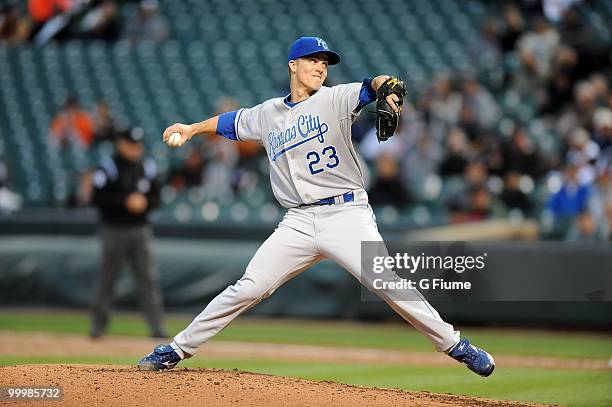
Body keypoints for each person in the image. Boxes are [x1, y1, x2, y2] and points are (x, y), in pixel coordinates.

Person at [138, 37, 495, 377]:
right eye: (313, 59)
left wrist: (390, 89)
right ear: (293, 65)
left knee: (386, 281)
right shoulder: (268, 114)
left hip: (346, 214)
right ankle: (176, 349)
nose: (320, 67)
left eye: (325, 62)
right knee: (248, 287)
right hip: (297, 221)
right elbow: (231, 123)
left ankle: (455, 345)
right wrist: (192, 128)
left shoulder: (335, 98)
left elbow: (374, 84)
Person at [90, 127, 166, 339]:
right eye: (131, 145)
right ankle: (98, 327)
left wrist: (144, 203)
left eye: (138, 146)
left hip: (140, 229)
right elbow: (97, 199)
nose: (135, 149)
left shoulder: (147, 168)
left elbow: (157, 199)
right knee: (107, 278)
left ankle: (157, 328)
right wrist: (124, 202)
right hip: (114, 229)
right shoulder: (107, 168)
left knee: (148, 279)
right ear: (121, 144)